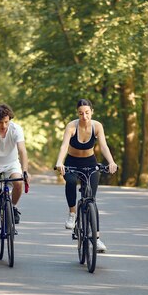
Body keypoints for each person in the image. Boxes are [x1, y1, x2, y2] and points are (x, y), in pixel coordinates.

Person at [55, 98, 117, 253]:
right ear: (78, 113)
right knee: (70, 181)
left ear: (92, 112)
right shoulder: (71, 126)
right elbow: (64, 146)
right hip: (72, 162)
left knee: (91, 200)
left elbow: (103, 145)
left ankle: (96, 238)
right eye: (81, 113)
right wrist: (59, 162)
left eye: (87, 113)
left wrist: (111, 162)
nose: (84, 116)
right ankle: (72, 213)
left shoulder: (97, 126)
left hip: (90, 162)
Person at [0, 103, 30, 254]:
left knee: (18, 183)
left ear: (10, 120)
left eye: (6, 121)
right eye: (0, 122)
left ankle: (13, 208)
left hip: (11, 164)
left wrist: (25, 171)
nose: (4, 125)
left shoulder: (16, 129)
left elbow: (22, 151)